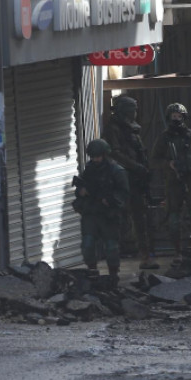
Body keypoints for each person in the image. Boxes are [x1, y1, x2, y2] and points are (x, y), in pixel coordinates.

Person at [102, 95, 159, 270]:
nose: (135, 113)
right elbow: (115, 153)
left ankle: (145, 255)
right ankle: (114, 258)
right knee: (120, 219)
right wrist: (135, 167)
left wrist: (142, 170)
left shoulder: (131, 128)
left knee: (141, 217)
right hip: (121, 179)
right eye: (132, 110)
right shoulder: (113, 129)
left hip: (135, 180)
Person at [151, 103, 191, 262]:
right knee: (173, 220)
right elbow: (154, 160)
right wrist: (168, 164)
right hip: (173, 182)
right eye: (173, 116)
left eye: (179, 116)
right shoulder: (164, 138)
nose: (176, 119)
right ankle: (177, 252)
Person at [73, 139, 129, 285]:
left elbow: (124, 193)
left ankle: (113, 275)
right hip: (91, 212)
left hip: (108, 214)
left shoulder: (116, 171)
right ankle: (92, 272)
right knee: (88, 244)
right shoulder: (89, 170)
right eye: (93, 157)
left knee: (111, 247)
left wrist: (110, 200)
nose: (95, 160)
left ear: (104, 155)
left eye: (98, 156)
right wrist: (81, 191)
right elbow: (80, 188)